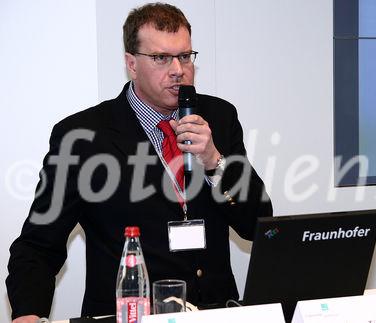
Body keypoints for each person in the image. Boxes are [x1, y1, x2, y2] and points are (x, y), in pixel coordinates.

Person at [6, 3, 272, 322]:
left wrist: (214, 161)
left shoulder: (218, 117)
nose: (178, 69)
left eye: (185, 56)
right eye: (161, 58)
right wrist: (28, 314)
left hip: (213, 313)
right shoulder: (83, 136)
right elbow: (37, 246)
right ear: (132, 64)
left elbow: (257, 224)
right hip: (127, 316)